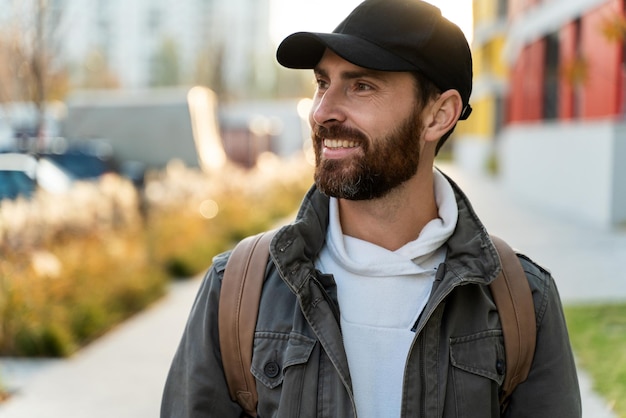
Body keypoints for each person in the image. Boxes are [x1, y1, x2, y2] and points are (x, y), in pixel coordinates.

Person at [161, 0, 582, 416]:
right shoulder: (236, 289)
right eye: (323, 83)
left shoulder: (522, 301)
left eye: (361, 86)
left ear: (438, 115)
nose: (322, 112)